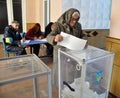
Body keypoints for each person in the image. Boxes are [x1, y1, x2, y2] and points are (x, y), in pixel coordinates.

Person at [47, 8, 84, 87]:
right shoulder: (58, 24)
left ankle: (71, 84)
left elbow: (82, 36)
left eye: (76, 19)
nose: (74, 21)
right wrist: (55, 38)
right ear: (68, 16)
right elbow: (49, 36)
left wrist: (85, 41)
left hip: (73, 52)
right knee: (61, 69)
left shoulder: (78, 25)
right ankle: (59, 85)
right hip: (60, 51)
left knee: (72, 69)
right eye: (72, 19)